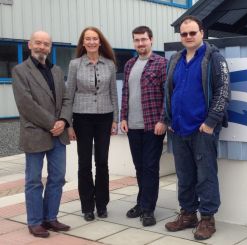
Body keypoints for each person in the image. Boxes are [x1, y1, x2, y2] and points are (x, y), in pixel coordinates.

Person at [163, 15, 230, 240]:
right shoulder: (175, 60)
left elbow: (223, 91)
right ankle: (188, 214)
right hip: (179, 129)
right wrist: (169, 120)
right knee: (184, 176)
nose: (189, 37)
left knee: (206, 176)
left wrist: (211, 123)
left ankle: (207, 219)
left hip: (202, 130)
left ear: (202, 32)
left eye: (193, 32)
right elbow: (169, 92)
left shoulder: (214, 58)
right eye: (184, 34)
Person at [12, 31, 72, 238]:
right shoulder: (20, 71)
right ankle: (35, 221)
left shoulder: (56, 71)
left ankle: (50, 217)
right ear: (30, 44)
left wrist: (63, 121)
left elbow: (66, 99)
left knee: (57, 178)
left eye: (46, 44)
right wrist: (52, 123)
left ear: (50, 47)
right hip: (36, 132)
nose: (42, 47)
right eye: (38, 43)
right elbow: (26, 104)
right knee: (34, 180)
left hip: (58, 134)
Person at [67, 27, 119, 221]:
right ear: (83, 42)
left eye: (94, 39)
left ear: (100, 42)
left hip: (104, 117)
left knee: (102, 162)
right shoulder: (74, 65)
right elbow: (69, 94)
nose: (91, 42)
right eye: (87, 39)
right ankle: (87, 206)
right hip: (82, 118)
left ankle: (102, 204)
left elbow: (114, 93)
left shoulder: (110, 65)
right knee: (84, 163)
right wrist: (69, 124)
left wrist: (115, 119)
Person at [120, 26, 167, 227]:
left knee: (150, 168)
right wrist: (123, 117)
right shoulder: (129, 64)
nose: (140, 43)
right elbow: (125, 93)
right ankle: (141, 203)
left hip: (152, 126)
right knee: (140, 168)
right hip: (133, 126)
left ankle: (148, 210)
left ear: (151, 40)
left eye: (144, 40)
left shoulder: (161, 63)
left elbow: (168, 95)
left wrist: (163, 120)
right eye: (137, 40)